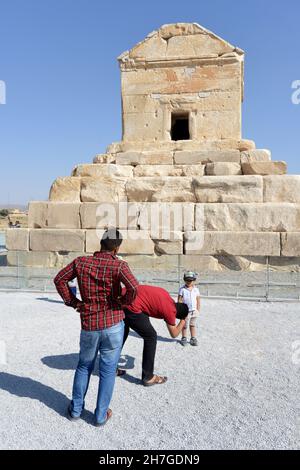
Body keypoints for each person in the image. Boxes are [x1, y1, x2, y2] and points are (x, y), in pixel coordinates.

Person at [54, 228, 139, 426]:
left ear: (100, 243)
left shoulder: (81, 262)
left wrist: (73, 302)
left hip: (90, 323)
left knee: (84, 366)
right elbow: (134, 287)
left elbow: (59, 279)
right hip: (113, 323)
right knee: (108, 370)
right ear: (117, 248)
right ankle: (100, 415)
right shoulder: (119, 266)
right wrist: (122, 302)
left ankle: (75, 410)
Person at [120, 285, 189, 386]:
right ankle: (148, 377)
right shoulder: (171, 311)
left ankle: (110, 367)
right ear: (177, 315)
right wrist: (183, 321)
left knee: (123, 332)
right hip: (131, 305)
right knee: (151, 336)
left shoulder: (167, 296)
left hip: (123, 296)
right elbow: (174, 334)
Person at [178, 271, 201, 347]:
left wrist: (198, 309)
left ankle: (193, 338)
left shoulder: (196, 289)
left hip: (194, 311)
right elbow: (180, 300)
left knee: (192, 325)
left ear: (194, 280)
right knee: (184, 325)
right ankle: (184, 337)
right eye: (187, 280)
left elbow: (198, 300)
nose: (188, 282)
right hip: (185, 311)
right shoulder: (182, 289)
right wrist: (180, 310)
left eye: (190, 280)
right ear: (184, 280)